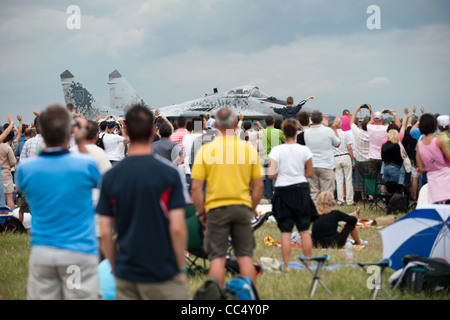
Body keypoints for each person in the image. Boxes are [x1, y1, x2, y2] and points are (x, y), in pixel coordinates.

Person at [97, 104, 190, 300]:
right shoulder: (170, 174)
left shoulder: (111, 177)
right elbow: (177, 228)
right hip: (162, 270)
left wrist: (114, 268)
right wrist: (181, 269)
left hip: (127, 272)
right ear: (152, 131)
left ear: (127, 131)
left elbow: (105, 230)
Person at [16, 104, 102, 300]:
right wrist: (80, 143)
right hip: (76, 251)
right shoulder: (86, 164)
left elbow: (24, 182)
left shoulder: (26, 169)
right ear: (71, 131)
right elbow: (98, 179)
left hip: (43, 251)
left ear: (40, 132)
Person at [191, 107, 264, 288]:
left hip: (216, 209)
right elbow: (259, 185)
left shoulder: (206, 151)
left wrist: (201, 213)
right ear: (235, 124)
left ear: (215, 124)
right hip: (241, 207)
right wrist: (251, 207)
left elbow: (196, 187)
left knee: (217, 258)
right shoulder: (248, 150)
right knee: (245, 257)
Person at [268, 118, 316, 269]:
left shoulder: (277, 150)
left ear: (283, 132)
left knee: (286, 232)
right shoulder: (304, 150)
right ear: (296, 132)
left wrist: (282, 173)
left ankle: (287, 265)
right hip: (301, 188)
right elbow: (310, 172)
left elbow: (270, 174)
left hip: (283, 190)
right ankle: (308, 263)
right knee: (304, 230)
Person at [304, 110, 341, 202]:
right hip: (326, 165)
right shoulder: (328, 131)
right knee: (327, 194)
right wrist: (334, 129)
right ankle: (326, 213)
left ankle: (315, 213)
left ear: (311, 119)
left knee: (314, 193)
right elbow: (337, 143)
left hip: (312, 165)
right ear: (321, 119)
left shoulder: (306, 133)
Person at [415, 113, 450, 204]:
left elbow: (421, 168)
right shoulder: (439, 142)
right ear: (435, 126)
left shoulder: (420, 145)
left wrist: (431, 168)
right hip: (446, 178)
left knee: (436, 207)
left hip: (432, 179)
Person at [260, 116, 285, 201]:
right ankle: (280, 195)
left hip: (266, 157)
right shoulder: (279, 132)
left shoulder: (262, 133)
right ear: (273, 122)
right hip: (277, 157)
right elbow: (285, 141)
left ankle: (269, 196)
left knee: (267, 178)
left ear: (265, 123)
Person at [333, 117, 355, 206]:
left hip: (336, 157)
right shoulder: (346, 134)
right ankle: (349, 200)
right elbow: (349, 147)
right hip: (345, 156)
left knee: (339, 180)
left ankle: (340, 200)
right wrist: (353, 159)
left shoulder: (331, 134)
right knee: (348, 179)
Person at [350, 106, 370, 202]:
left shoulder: (357, 132)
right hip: (368, 160)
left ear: (361, 125)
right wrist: (370, 111)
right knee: (369, 179)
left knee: (360, 179)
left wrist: (356, 110)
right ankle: (369, 196)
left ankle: (362, 197)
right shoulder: (371, 134)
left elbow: (351, 122)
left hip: (359, 160)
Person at [0, 128, 17, 211]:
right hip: (6, 174)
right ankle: (11, 219)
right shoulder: (6, 147)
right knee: (9, 198)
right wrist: (7, 166)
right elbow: (13, 162)